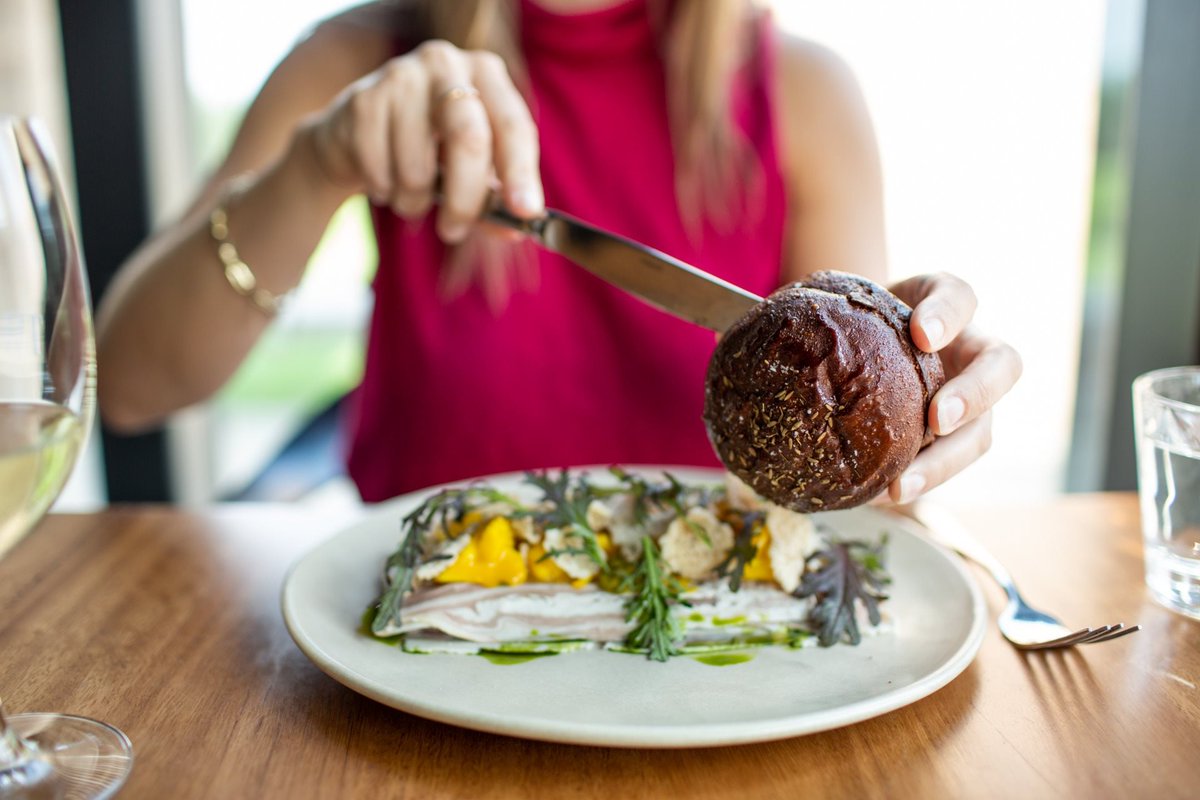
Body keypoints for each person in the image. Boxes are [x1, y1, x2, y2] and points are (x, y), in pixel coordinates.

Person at [96, 0, 1021, 504]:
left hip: (712, 659)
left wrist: (922, 387)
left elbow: (852, 469)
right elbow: (127, 385)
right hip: (419, 654)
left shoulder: (803, 95)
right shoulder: (359, 59)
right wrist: (310, 170)